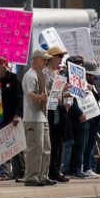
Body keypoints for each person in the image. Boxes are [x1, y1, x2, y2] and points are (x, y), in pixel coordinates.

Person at [22, 49, 56, 187]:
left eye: (47, 60)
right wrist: (40, 97)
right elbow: (31, 94)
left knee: (45, 147)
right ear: (35, 59)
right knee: (35, 148)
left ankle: (42, 175)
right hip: (33, 117)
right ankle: (31, 177)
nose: (46, 62)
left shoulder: (40, 74)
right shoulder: (31, 76)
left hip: (41, 116)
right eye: (43, 59)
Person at [42, 46, 70, 183]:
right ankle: (52, 170)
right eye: (59, 56)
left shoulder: (60, 73)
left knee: (59, 141)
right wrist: (60, 92)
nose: (61, 59)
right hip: (50, 111)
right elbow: (46, 92)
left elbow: (60, 94)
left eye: (62, 56)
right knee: (52, 142)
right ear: (51, 57)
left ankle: (57, 169)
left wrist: (66, 95)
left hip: (60, 109)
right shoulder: (45, 73)